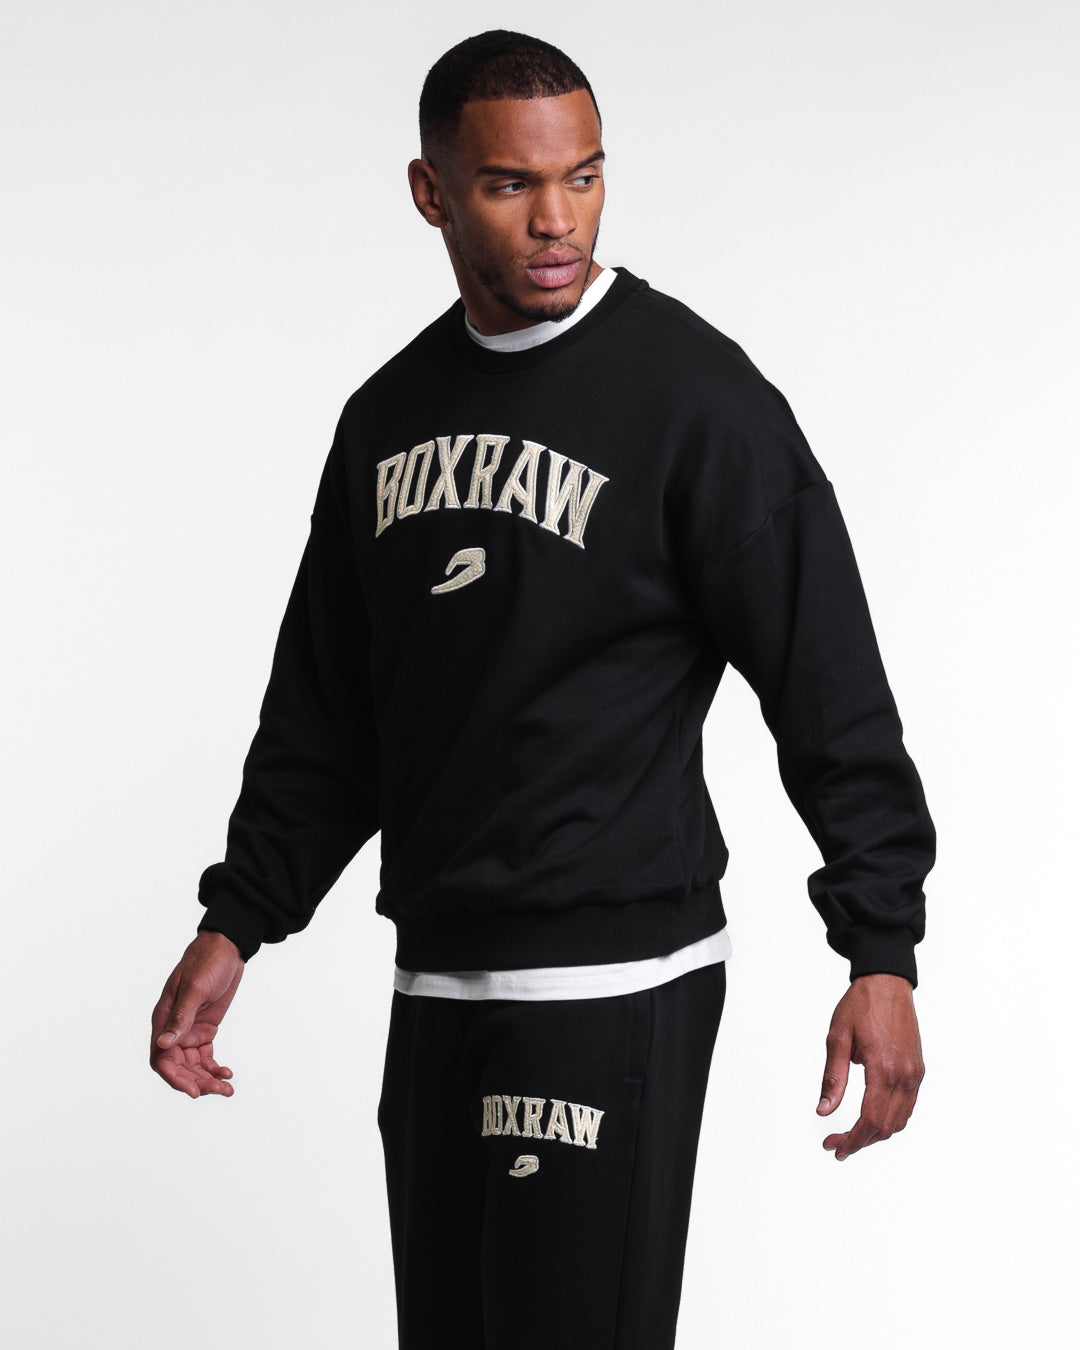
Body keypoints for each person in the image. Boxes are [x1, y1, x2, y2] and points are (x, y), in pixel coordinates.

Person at [150, 29, 935, 1349]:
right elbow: (330, 712)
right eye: (511, 184)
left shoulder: (695, 399)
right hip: (437, 981)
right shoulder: (388, 417)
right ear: (432, 192)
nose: (558, 217)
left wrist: (881, 950)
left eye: (585, 175)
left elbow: (830, 684)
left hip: (612, 983)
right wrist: (238, 923)